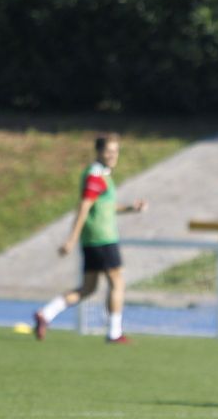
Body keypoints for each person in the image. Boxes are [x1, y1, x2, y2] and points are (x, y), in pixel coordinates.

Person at [32, 134, 148, 344]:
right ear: (99, 152)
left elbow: (105, 206)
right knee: (117, 282)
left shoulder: (102, 175)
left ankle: (46, 314)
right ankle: (114, 332)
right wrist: (71, 238)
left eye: (116, 151)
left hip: (94, 238)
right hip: (102, 237)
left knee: (88, 288)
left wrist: (131, 208)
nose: (113, 155)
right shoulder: (95, 175)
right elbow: (84, 206)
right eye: (108, 151)